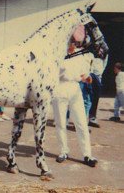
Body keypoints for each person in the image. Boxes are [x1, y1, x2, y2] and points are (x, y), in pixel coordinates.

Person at [52, 35, 98, 167]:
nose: (73, 44)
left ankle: (87, 155)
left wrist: (88, 78)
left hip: (75, 89)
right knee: (60, 123)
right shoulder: (58, 56)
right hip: (60, 89)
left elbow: (85, 75)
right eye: (70, 41)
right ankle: (63, 151)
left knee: (81, 123)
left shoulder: (80, 56)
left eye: (75, 42)